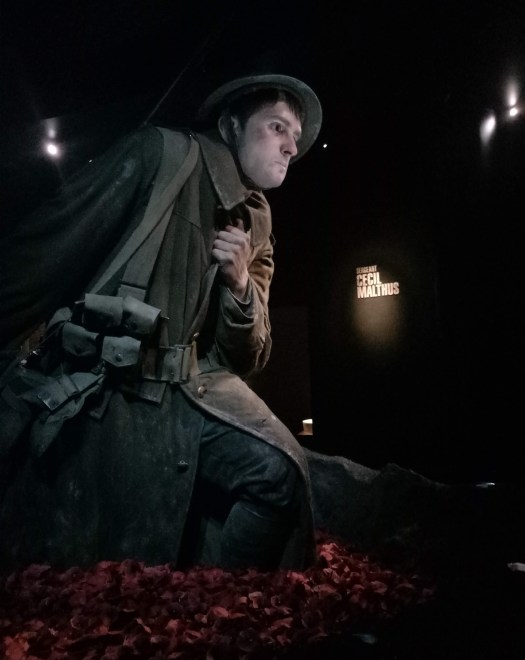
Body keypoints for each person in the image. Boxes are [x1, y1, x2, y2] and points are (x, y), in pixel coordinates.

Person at [0, 73, 323, 572]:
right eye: (277, 127)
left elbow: (248, 357)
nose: (290, 147)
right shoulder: (159, 155)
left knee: (279, 475)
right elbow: (50, 245)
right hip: (110, 393)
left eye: (296, 137)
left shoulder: (257, 219)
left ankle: (220, 603)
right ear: (232, 126)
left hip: (190, 391)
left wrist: (239, 286)